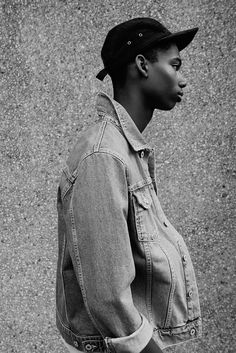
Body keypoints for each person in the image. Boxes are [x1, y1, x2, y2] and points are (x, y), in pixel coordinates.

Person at [56, 17, 202, 353]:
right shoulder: (104, 155)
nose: (182, 79)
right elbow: (107, 294)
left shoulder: (127, 151)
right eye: (175, 65)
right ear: (142, 65)